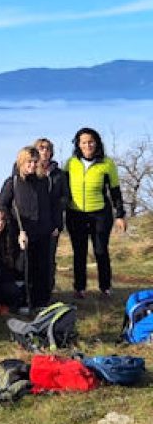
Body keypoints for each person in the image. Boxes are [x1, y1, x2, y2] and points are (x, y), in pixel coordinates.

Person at [64, 127, 126, 298]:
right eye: (83, 142)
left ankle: (105, 287)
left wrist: (120, 215)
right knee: (79, 251)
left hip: (100, 214)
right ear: (78, 144)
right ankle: (79, 288)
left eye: (91, 141)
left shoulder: (107, 163)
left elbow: (115, 190)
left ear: (97, 142)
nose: (87, 145)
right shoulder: (70, 163)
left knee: (100, 251)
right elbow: (63, 189)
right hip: (75, 214)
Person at [0, 146, 59, 309]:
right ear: (21, 162)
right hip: (21, 234)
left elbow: (52, 204)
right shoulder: (13, 182)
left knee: (42, 268)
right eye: (28, 162)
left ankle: (40, 302)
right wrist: (15, 229)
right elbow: (2, 205)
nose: (32, 166)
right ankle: (22, 302)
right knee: (22, 269)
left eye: (34, 162)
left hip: (43, 232)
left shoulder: (44, 181)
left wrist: (54, 225)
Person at [34, 137, 66, 292]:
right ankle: (32, 290)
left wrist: (57, 224)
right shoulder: (30, 170)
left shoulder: (59, 174)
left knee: (48, 258)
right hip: (33, 222)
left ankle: (48, 290)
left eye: (47, 148)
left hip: (52, 223)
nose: (44, 151)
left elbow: (65, 197)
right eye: (41, 148)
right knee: (33, 258)